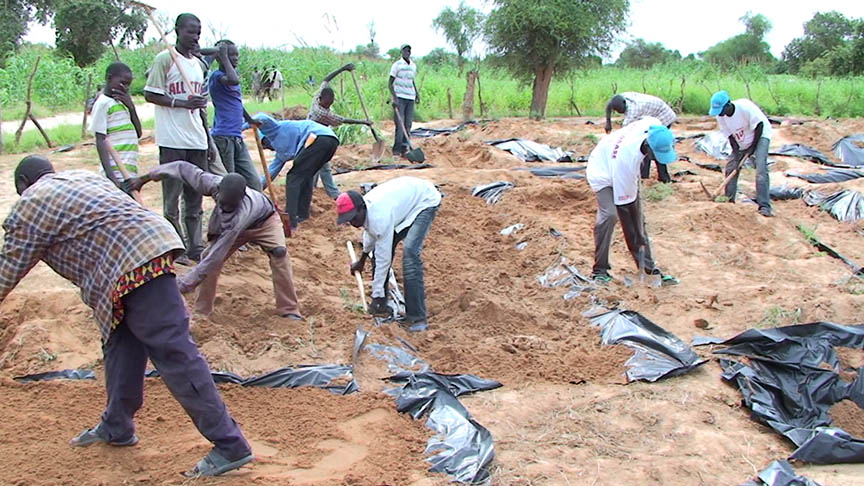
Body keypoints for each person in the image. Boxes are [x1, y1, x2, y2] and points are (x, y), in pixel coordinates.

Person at [0, 156, 253, 477]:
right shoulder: (81, 175)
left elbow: (6, 272)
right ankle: (117, 424)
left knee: (173, 350)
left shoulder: (29, 206)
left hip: (132, 262)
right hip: (145, 250)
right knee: (120, 342)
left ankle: (230, 444)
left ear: (22, 184)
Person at [129, 162, 301, 319]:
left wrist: (183, 284)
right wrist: (144, 179)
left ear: (240, 201)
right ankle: (202, 312)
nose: (225, 209)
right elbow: (181, 168)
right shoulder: (211, 183)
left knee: (279, 253)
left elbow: (216, 257)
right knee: (207, 258)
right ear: (218, 192)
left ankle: (289, 309)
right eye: (222, 204)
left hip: (265, 222)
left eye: (230, 207)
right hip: (231, 229)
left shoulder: (240, 216)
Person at [144, 13, 213, 264]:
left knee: (195, 199)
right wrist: (181, 103)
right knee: (171, 200)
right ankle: (177, 248)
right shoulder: (165, 60)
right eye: (190, 32)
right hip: (172, 140)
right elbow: (150, 94)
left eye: (198, 32)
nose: (195, 37)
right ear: (177, 31)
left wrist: (208, 141)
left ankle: (195, 246)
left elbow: (201, 107)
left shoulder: (199, 65)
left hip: (196, 140)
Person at [336, 177, 441, 332]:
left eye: (353, 218)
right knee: (381, 251)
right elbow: (370, 238)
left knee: (410, 253)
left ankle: (417, 317)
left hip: (424, 201)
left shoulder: (379, 216)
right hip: (403, 205)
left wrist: (376, 293)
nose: (352, 223)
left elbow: (383, 258)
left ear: (361, 208)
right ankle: (381, 305)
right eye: (348, 220)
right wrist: (362, 260)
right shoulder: (367, 213)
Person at [586, 117, 679, 285]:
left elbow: (650, 119)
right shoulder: (626, 161)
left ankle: (648, 268)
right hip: (602, 169)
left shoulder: (653, 126)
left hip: (614, 158)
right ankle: (599, 270)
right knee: (611, 216)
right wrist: (636, 229)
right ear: (648, 148)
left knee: (638, 222)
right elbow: (626, 210)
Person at [253, 113, 339, 231]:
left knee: (293, 177)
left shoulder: (278, 128)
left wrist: (245, 124)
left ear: (268, 135)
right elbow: (270, 174)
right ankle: (302, 214)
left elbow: (262, 117)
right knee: (306, 176)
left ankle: (291, 220)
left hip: (318, 137)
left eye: (266, 143)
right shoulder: (281, 154)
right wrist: (256, 189)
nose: (269, 147)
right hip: (331, 141)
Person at [307, 62, 372, 199]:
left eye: (331, 103)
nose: (329, 105)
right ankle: (329, 194)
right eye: (327, 103)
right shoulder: (321, 113)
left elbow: (326, 79)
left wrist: (342, 69)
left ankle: (317, 191)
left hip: (318, 137)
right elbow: (342, 120)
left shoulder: (318, 96)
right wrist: (363, 122)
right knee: (321, 166)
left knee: (319, 166)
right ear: (321, 100)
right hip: (315, 138)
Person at [709, 90, 774, 217]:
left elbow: (759, 126)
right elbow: (730, 136)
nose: (720, 114)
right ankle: (729, 200)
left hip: (760, 136)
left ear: (728, 105)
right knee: (731, 167)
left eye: (721, 110)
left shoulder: (745, 107)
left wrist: (752, 148)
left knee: (761, 169)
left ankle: (764, 206)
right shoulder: (721, 116)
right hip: (741, 141)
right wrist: (737, 153)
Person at [209, 39, 262, 191]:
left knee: (254, 184)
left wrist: (250, 120)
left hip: (237, 137)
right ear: (220, 58)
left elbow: (237, 102)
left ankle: (251, 212)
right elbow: (232, 80)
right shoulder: (217, 76)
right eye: (231, 55)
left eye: (236, 55)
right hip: (223, 137)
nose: (235, 58)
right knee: (229, 185)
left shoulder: (234, 75)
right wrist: (223, 57)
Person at [89, 62, 142, 192]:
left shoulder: (122, 102)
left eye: (128, 85)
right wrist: (111, 177)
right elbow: (100, 140)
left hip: (129, 170)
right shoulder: (103, 104)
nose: (126, 88)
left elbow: (138, 133)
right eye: (123, 83)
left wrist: (131, 107)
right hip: (117, 172)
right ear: (109, 78)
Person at [605, 92, 677, 183]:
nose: (620, 112)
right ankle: (644, 176)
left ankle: (663, 178)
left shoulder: (633, 110)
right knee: (644, 145)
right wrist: (608, 122)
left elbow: (625, 133)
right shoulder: (621, 97)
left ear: (624, 103)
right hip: (652, 114)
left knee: (654, 146)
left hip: (664, 116)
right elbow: (609, 104)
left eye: (621, 110)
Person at [388, 44, 419, 157]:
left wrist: (417, 94)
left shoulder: (413, 66)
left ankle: (405, 148)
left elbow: (412, 81)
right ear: (401, 52)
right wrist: (394, 98)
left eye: (409, 51)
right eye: (405, 50)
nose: (407, 52)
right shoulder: (397, 65)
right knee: (400, 124)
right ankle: (396, 149)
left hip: (410, 97)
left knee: (408, 124)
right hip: (400, 97)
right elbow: (390, 83)